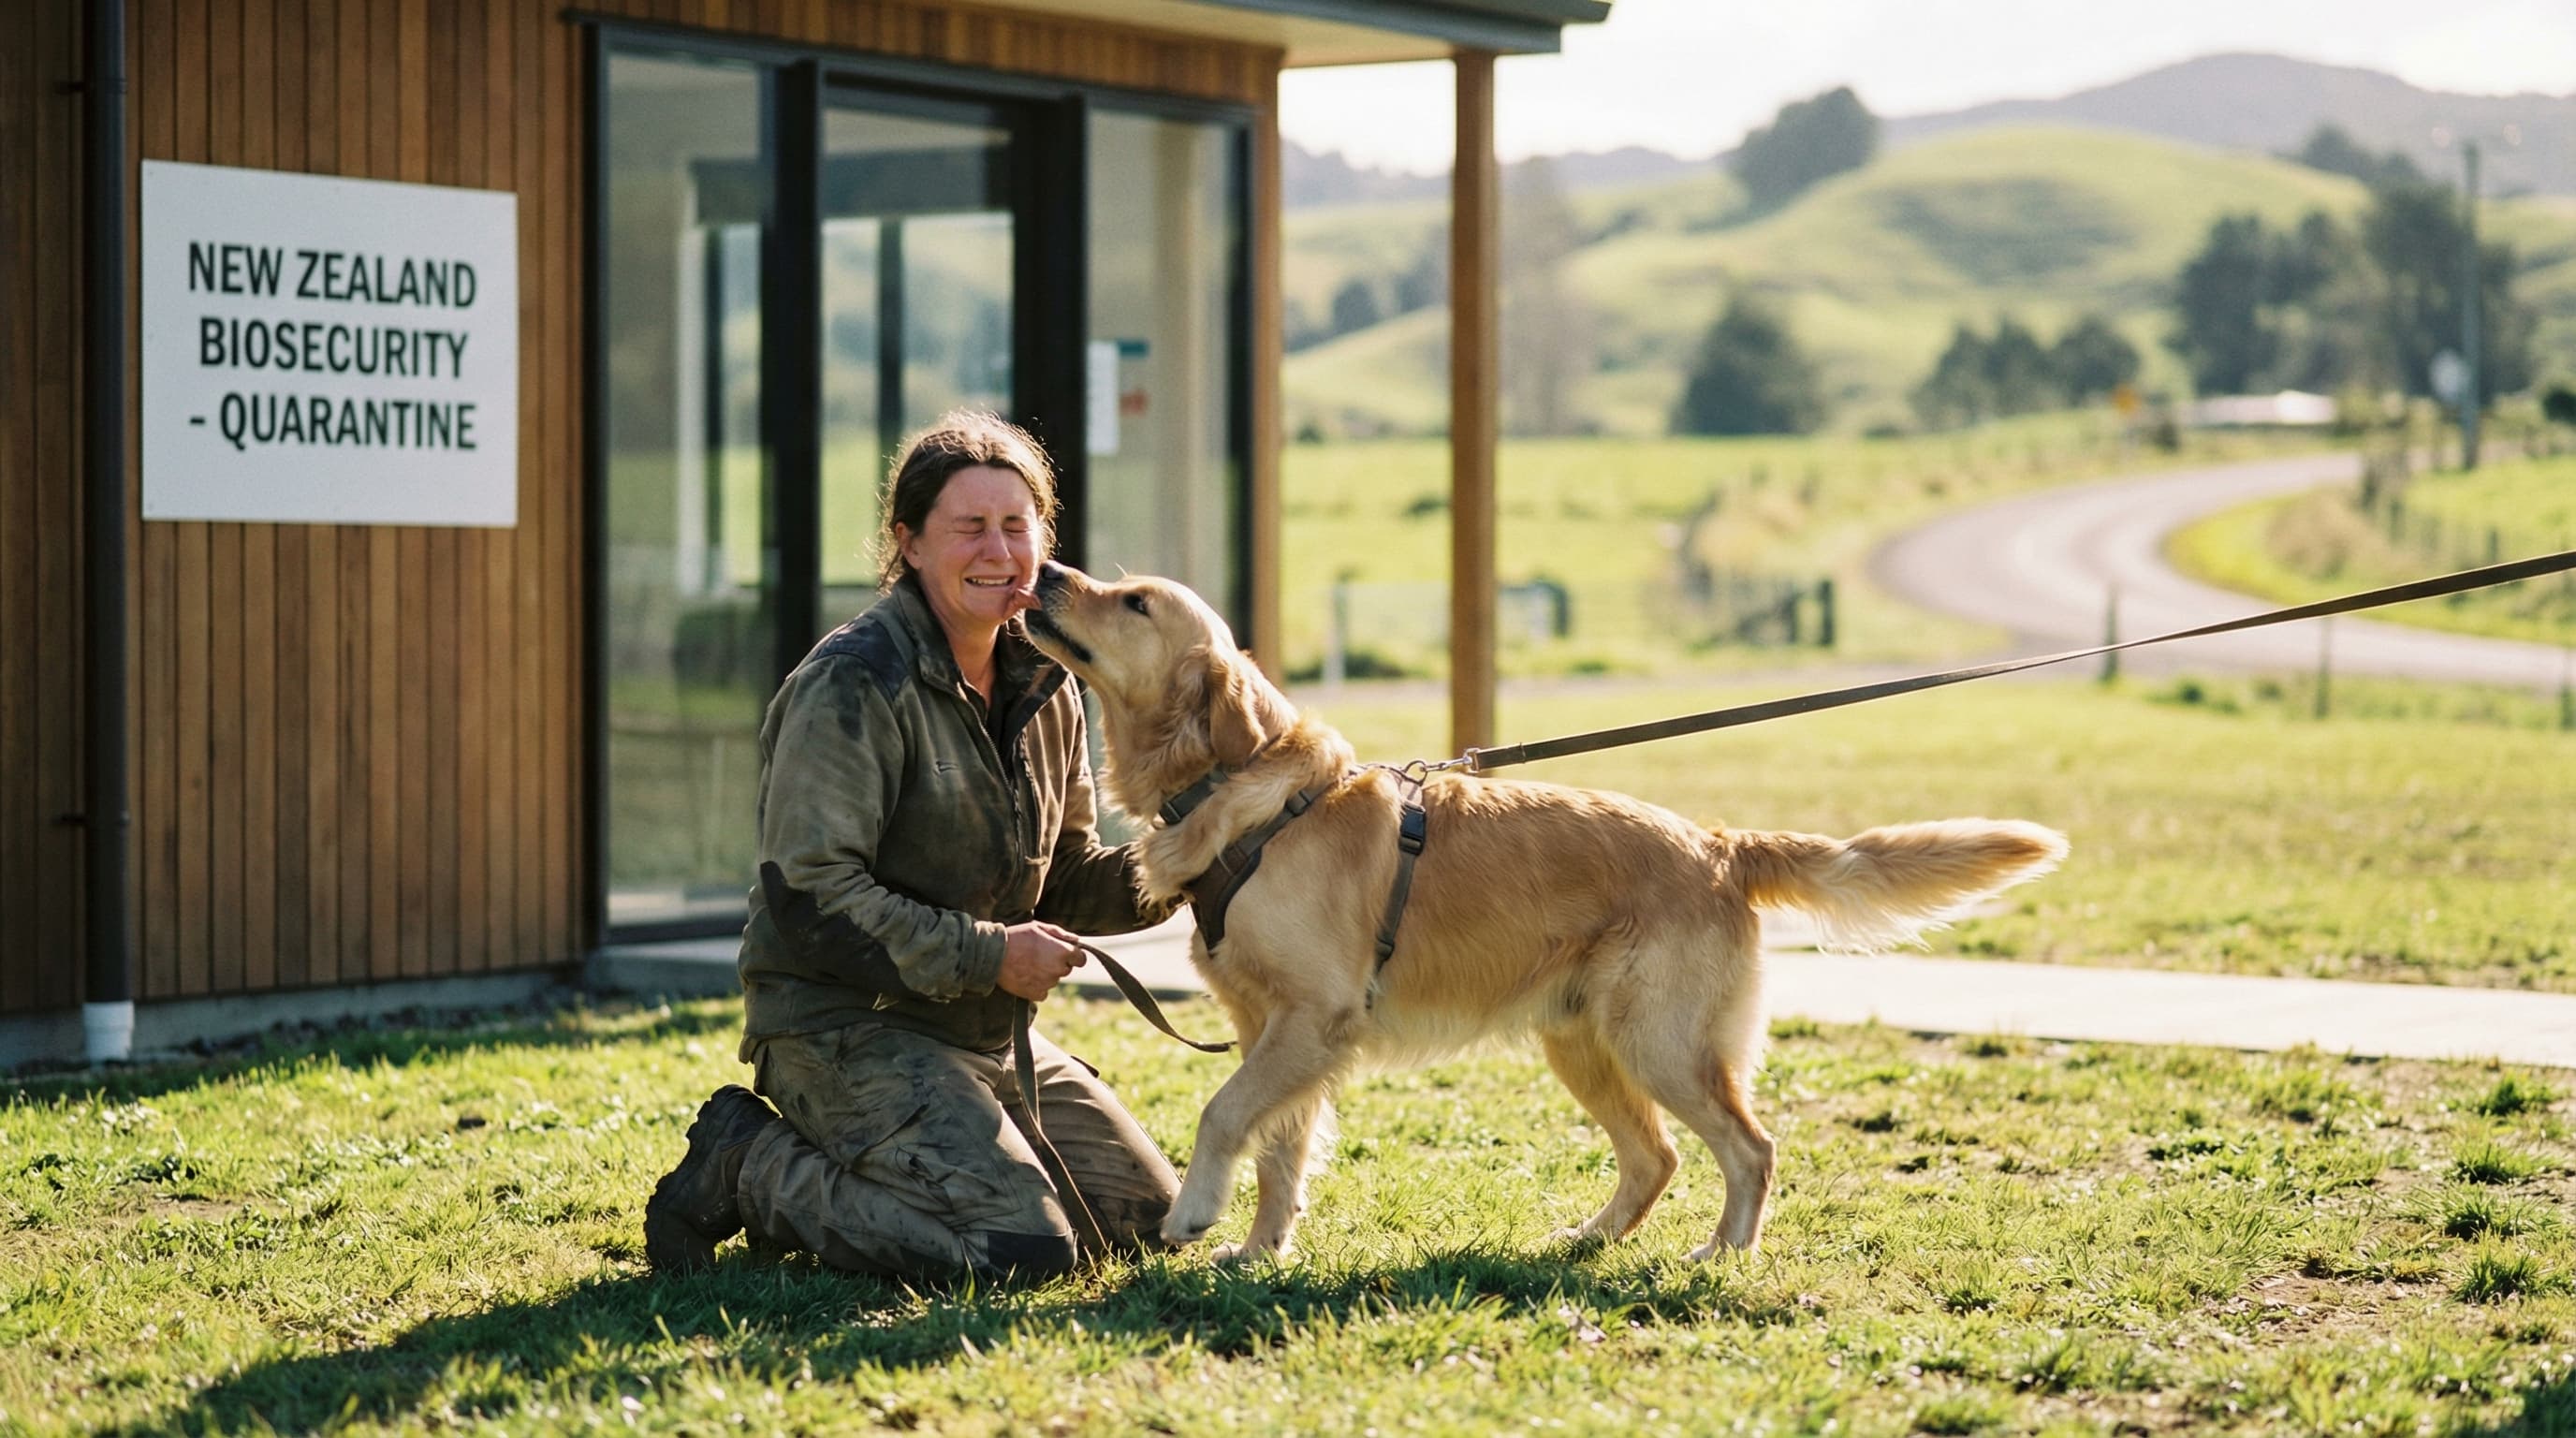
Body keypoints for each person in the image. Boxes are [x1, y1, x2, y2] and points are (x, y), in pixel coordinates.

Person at [643, 411, 1184, 1281]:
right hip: (843, 1027)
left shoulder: (1048, 682)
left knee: (1150, 1223)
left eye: (1018, 527)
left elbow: (1068, 881)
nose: (999, 552)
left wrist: (1190, 854)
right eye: (969, 528)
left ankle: (949, 1147)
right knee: (1022, 1252)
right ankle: (749, 1165)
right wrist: (991, 955)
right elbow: (812, 901)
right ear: (910, 542)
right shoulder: (852, 683)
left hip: (979, 1030)